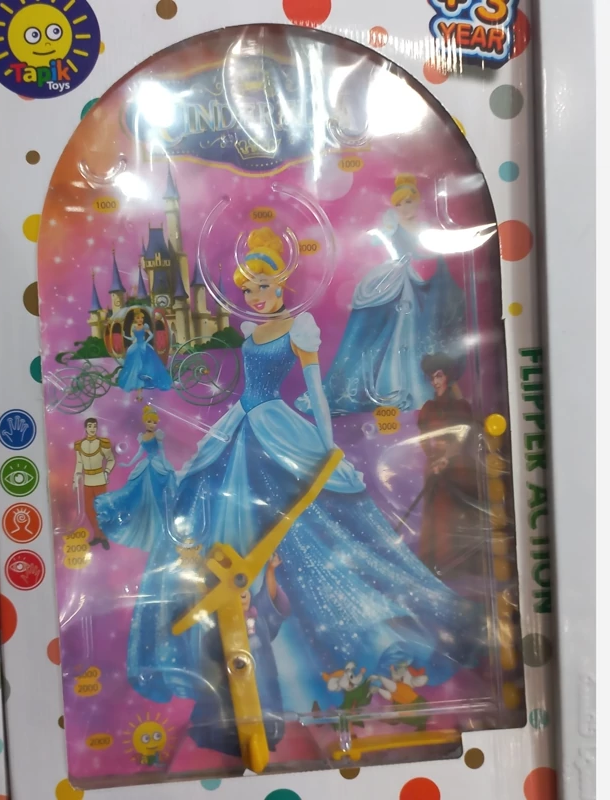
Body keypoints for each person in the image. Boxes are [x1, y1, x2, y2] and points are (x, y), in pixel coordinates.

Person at [119, 227, 481, 756]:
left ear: (282, 284)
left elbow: (314, 388)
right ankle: (229, 680)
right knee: (211, 522)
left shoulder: (299, 329)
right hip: (240, 426)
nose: (256, 296)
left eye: (264, 286)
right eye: (249, 289)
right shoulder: (249, 332)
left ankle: (327, 666)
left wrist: (325, 445)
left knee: (303, 531)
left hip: (275, 429)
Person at [297, 173, 466, 415]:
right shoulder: (393, 226)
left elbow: (434, 254)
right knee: (397, 329)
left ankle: (421, 386)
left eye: (409, 201)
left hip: (427, 285)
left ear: (417, 201)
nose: (405, 207)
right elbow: (377, 243)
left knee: (424, 333)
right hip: (404, 282)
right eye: (400, 203)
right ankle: (392, 385)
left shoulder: (426, 227)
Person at [187, 553, 290, 755]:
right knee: (228, 704)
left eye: (245, 593)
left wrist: (270, 570)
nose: (242, 596)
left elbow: (268, 597)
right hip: (232, 675)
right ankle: (229, 735)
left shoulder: (258, 616)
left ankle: (268, 734)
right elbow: (210, 645)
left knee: (266, 702)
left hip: (263, 673)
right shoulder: (220, 622)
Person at [416, 353, 481, 575]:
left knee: (453, 511)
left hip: (457, 466)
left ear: (447, 377)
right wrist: (433, 458)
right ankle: (433, 561)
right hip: (434, 466)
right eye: (431, 377)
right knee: (434, 512)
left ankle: (454, 561)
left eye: (439, 376)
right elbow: (423, 438)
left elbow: (463, 437)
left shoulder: (460, 406)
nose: (435, 381)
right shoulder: (428, 408)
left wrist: (446, 458)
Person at [94, 405, 176, 552]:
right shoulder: (142, 437)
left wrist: (166, 465)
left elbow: (162, 452)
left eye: (154, 422)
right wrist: (128, 464)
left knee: (158, 494)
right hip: (146, 466)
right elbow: (139, 453)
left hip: (156, 465)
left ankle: (158, 528)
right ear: (145, 422)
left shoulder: (158, 436)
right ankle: (143, 524)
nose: (152, 424)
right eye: (149, 421)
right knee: (135, 492)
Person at [72, 418, 115, 550]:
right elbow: (79, 463)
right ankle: (97, 535)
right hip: (87, 481)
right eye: (90, 426)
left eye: (94, 426)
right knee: (89, 510)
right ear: (85, 428)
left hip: (100, 480)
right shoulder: (80, 445)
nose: (92, 429)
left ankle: (104, 537)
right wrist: (75, 479)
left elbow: (111, 460)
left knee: (102, 510)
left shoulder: (102, 443)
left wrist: (106, 472)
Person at [116, 310, 173, 402]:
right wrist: (124, 336)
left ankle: (144, 384)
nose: (140, 320)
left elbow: (151, 335)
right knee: (135, 366)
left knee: (145, 364)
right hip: (136, 346)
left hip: (143, 345)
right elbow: (132, 338)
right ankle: (139, 392)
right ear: (135, 319)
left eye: (141, 318)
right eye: (138, 318)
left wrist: (145, 342)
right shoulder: (134, 327)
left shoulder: (145, 326)